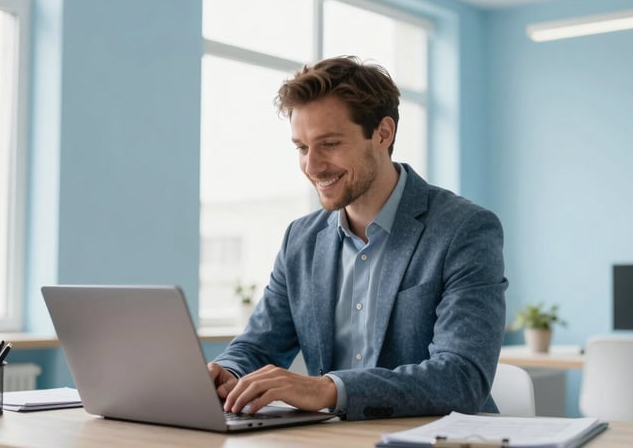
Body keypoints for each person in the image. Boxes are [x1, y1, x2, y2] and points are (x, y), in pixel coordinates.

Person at [208, 56, 508, 421]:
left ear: (383, 133)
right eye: (302, 147)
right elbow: (258, 346)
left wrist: (329, 389)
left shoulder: (464, 229)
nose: (312, 166)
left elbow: (462, 378)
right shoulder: (300, 240)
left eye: (329, 144)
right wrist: (228, 372)